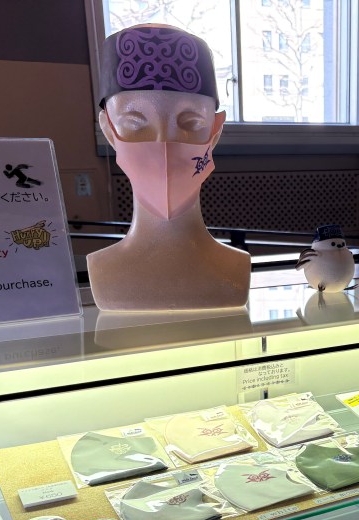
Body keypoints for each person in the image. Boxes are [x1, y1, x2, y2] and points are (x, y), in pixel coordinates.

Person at [89, 23, 250, 311]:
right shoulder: (102, 271)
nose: (164, 143)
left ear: (215, 133)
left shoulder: (235, 269)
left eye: (191, 124)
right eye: (135, 124)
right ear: (109, 131)